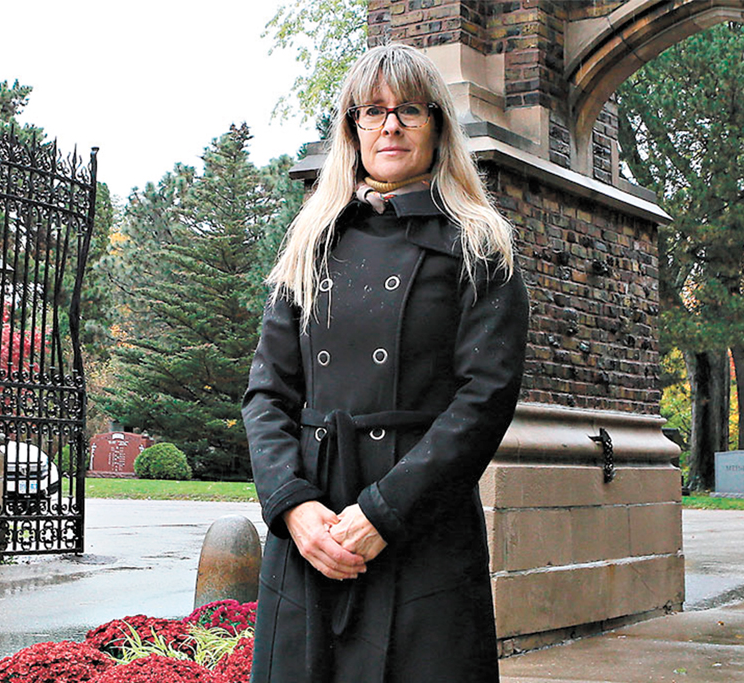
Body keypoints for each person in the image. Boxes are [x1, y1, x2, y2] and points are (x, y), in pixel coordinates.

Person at [242, 42, 529, 683]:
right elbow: (267, 391)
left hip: (418, 526)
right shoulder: (311, 244)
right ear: (352, 130)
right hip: (310, 531)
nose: (390, 124)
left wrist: (384, 512)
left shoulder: (479, 244)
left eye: (408, 110)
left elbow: (484, 398)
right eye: (371, 111)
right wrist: (291, 504)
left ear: (437, 125)